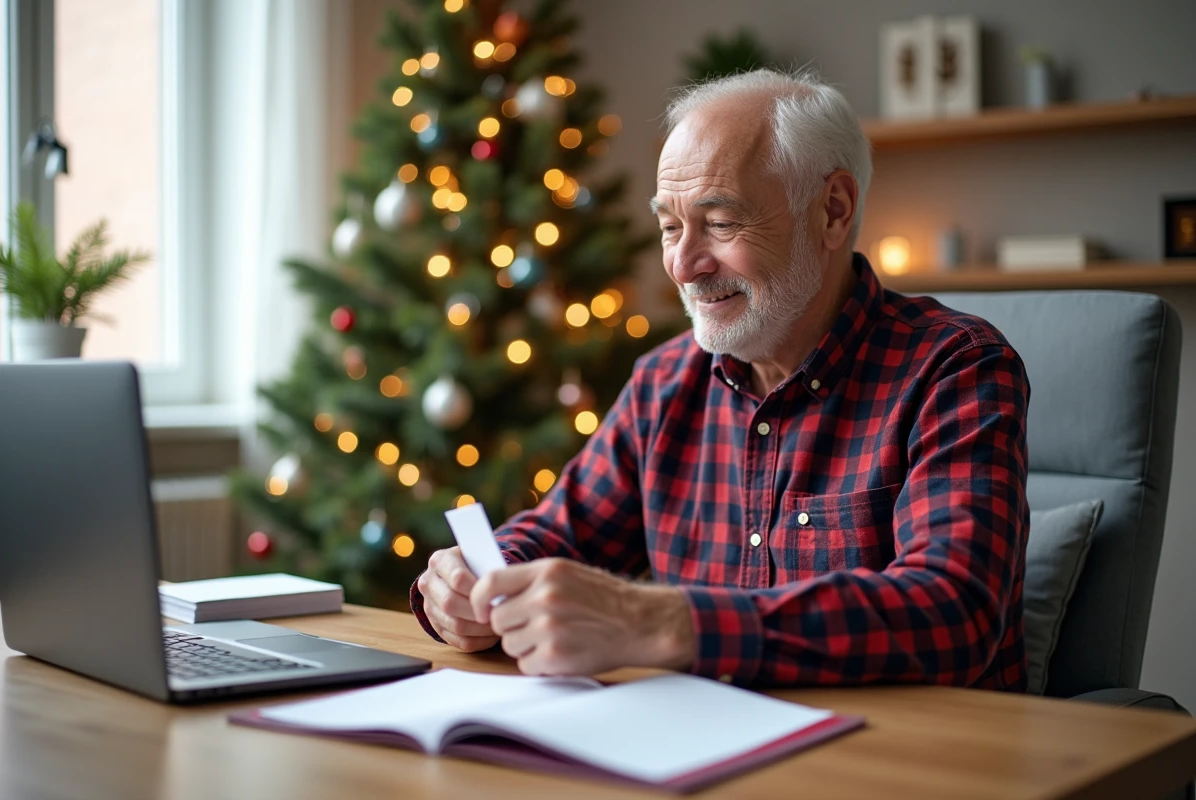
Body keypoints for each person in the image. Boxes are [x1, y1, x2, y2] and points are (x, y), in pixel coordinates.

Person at [411, 69, 1030, 690]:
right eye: (670, 227)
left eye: (721, 222)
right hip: (703, 757)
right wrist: (475, 581)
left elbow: (953, 613)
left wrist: (661, 621)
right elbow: (560, 534)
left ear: (833, 212)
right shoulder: (663, 382)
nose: (683, 266)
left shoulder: (953, 366)